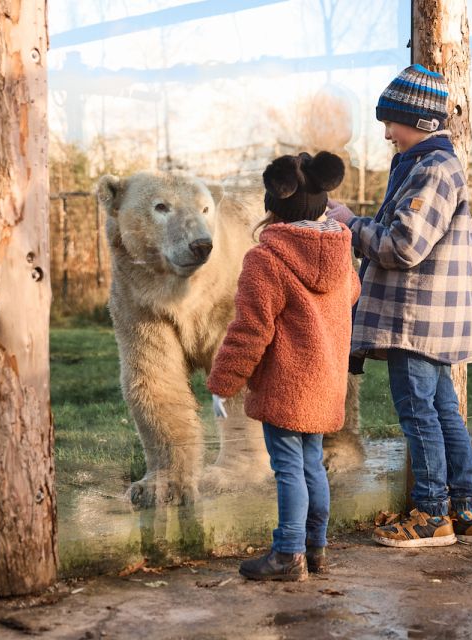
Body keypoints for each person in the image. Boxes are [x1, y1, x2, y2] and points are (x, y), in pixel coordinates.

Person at [327, 64, 472, 548]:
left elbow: (405, 245)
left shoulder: (433, 169)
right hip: (429, 319)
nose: (385, 133)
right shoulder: (425, 166)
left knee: (419, 413)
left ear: (420, 123)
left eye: (392, 122)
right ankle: (468, 510)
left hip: (418, 320)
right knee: (443, 412)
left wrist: (350, 226)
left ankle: (430, 515)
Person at [207, 150, 360, 581]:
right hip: (326, 382)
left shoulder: (267, 260)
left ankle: (288, 553)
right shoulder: (340, 253)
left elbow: (249, 331)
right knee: (312, 464)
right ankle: (317, 549)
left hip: (288, 385)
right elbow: (350, 295)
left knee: (290, 467)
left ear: (274, 204)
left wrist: (224, 382)